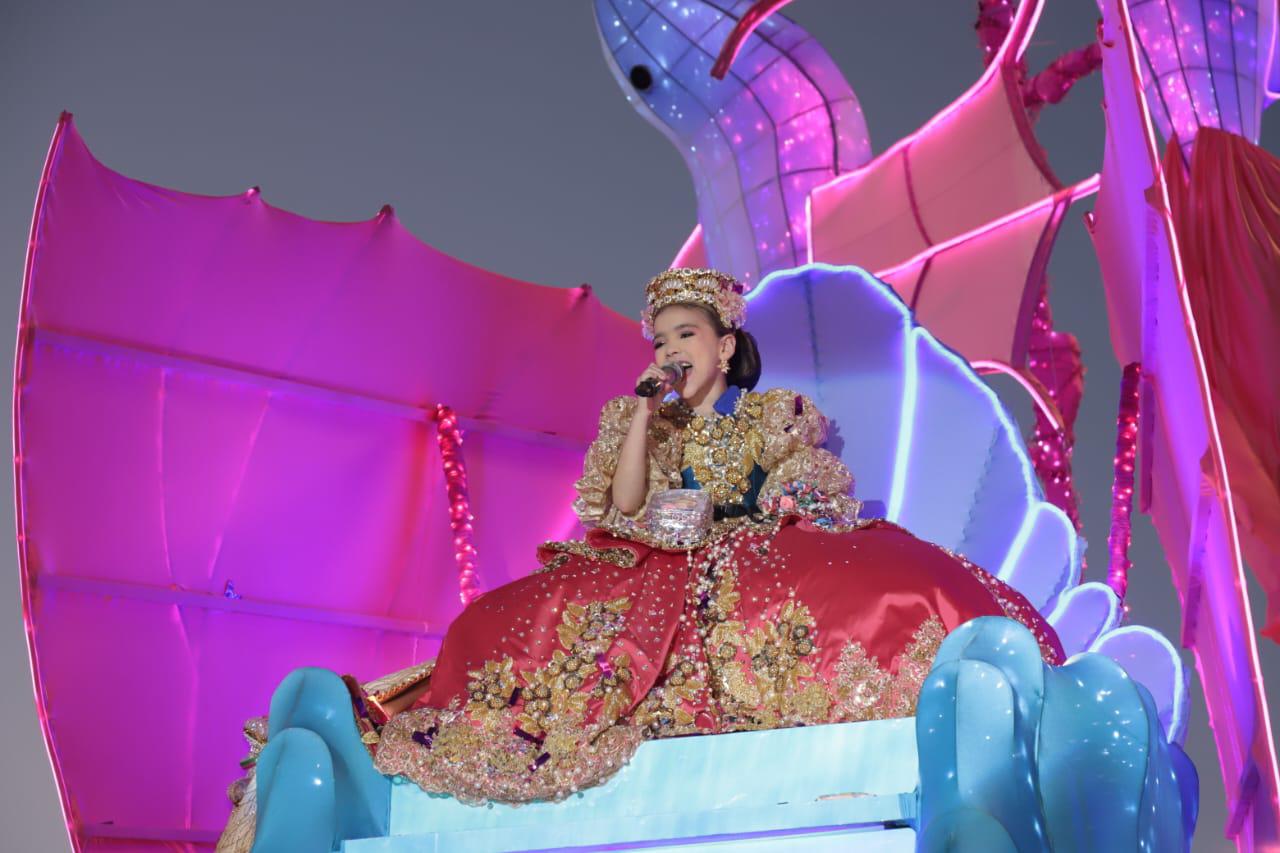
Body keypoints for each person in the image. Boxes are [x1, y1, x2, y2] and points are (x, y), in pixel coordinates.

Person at [226, 267, 1063, 822]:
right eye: (660, 341)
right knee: (496, 622)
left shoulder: (771, 419)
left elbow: (811, 484)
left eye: (686, 337)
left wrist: (766, 498)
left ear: (727, 348)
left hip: (740, 549)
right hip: (642, 564)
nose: (670, 353)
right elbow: (622, 508)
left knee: (856, 584)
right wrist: (637, 421)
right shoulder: (640, 427)